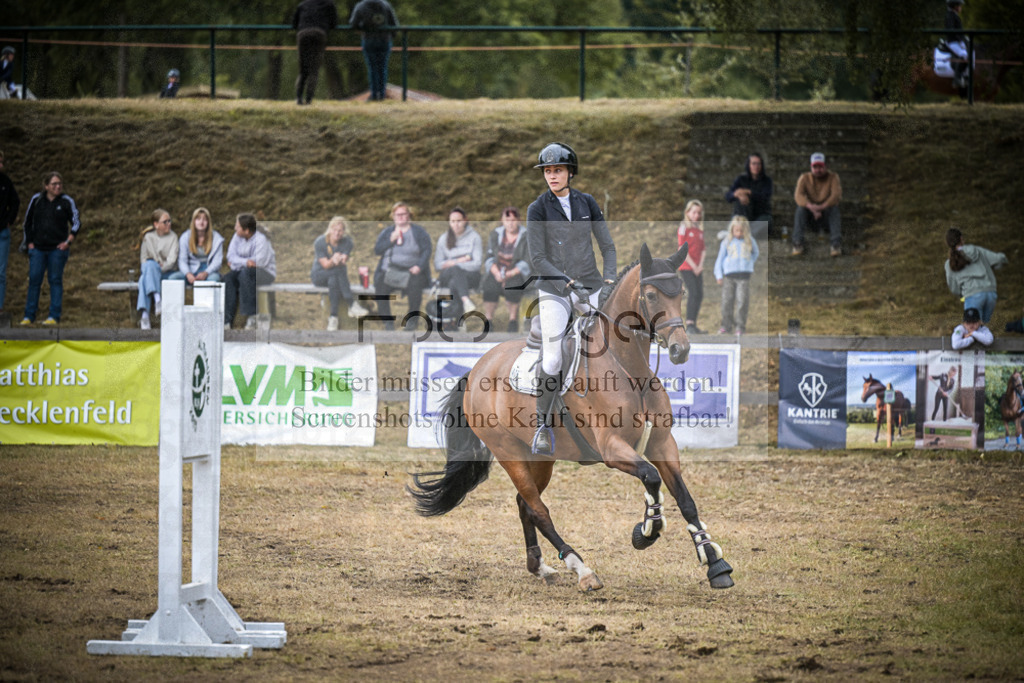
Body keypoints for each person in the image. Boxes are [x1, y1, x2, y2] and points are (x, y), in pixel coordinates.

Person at [527, 142, 616, 455]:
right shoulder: (537, 208)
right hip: (554, 290)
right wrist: (567, 284)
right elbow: (537, 258)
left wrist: (611, 279)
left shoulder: (587, 202)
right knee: (552, 357)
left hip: (591, 286)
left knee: (617, 338)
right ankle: (542, 425)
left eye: (558, 170)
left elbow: (607, 246)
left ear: (570, 173)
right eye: (548, 171)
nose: (552, 175)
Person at [20, 172, 81, 326]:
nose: (57, 186)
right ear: (46, 186)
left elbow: (76, 222)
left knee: (55, 280)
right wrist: (29, 243)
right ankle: (29, 316)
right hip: (38, 249)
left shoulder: (67, 201)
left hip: (57, 249)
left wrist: (68, 241)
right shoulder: (37, 200)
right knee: (34, 280)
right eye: (54, 184)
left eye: (59, 183)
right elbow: (27, 222)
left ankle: (54, 316)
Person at [372, 201, 431, 330]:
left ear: (409, 215)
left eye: (403, 214)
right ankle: (387, 321)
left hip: (412, 270)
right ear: (393, 216)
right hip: (391, 270)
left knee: (416, 286)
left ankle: (412, 320)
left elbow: (427, 250)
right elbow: (377, 250)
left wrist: (419, 266)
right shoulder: (387, 232)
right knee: (380, 285)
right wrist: (390, 240)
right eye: (397, 214)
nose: (400, 217)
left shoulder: (418, 232)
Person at [311, 215, 368, 331]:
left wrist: (338, 259)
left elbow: (343, 260)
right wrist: (333, 260)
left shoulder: (347, 242)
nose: (337, 233)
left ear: (344, 231)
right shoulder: (320, 242)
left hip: (335, 277)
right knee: (338, 271)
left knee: (334, 280)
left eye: (340, 230)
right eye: (335, 230)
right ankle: (351, 304)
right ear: (330, 229)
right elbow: (326, 265)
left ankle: (333, 317)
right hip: (319, 275)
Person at [481, 206, 531, 333]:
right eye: (507, 219)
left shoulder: (526, 236)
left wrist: (510, 273)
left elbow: (527, 260)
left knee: (513, 287)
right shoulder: (495, 234)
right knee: (489, 287)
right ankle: (489, 320)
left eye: (514, 219)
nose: (510, 223)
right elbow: (489, 256)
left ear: (519, 220)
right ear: (502, 220)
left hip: (517, 272)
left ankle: (512, 320)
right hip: (497, 270)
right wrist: (497, 273)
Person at [223, 214, 276, 330]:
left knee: (245, 275)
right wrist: (246, 262)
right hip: (244, 270)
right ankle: (227, 320)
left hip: (265, 272)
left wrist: (238, 262)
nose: (235, 228)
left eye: (237, 226)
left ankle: (252, 316)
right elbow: (230, 257)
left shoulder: (261, 239)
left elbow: (260, 262)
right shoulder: (237, 237)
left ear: (246, 231)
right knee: (228, 278)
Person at [944, 227, 1007, 324]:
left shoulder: (949, 264)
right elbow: (998, 259)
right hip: (990, 293)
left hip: (972, 296)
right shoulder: (977, 250)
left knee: (972, 329)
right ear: (961, 239)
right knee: (983, 328)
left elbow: (954, 288)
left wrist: (961, 294)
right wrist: (1000, 263)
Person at [714, 215, 759, 336]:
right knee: (727, 301)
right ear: (732, 230)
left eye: (741, 231)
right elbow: (720, 259)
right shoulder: (727, 242)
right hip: (729, 276)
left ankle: (740, 326)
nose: (739, 233)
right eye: (736, 230)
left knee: (742, 301)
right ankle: (726, 326)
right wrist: (719, 274)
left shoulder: (750, 241)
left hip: (744, 278)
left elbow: (755, 253)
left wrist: (748, 263)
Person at [434, 207, 482, 319]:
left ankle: (455, 321)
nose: (456, 224)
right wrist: (460, 260)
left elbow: (477, 264)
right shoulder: (444, 239)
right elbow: (437, 264)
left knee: (454, 282)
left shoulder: (474, 237)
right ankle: (466, 301)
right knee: (455, 271)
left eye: (459, 221)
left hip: (470, 275)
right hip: (446, 275)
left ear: (465, 220)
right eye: (453, 221)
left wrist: (453, 264)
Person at [791, 152, 842, 258]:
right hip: (810, 217)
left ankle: (835, 244)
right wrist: (812, 208)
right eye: (815, 167)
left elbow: (836, 196)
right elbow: (798, 196)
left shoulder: (833, 177)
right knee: (800, 209)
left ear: (826, 166)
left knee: (834, 209)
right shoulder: (804, 178)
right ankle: (797, 243)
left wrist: (821, 207)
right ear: (811, 167)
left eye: (820, 167)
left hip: (826, 216)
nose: (818, 170)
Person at [135, 209, 179, 330]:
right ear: (156, 224)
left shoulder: (173, 237)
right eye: (165, 222)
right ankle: (157, 298)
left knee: (144, 279)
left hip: (166, 272)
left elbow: (172, 260)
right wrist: (153, 266)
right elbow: (143, 260)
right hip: (151, 271)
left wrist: (158, 267)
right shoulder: (148, 237)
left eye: (169, 221)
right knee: (149, 266)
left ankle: (145, 315)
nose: (168, 224)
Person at [349, 0, 398, 101]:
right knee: (383, 67)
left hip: (369, 39)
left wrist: (362, 29)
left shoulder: (361, 5)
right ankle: (382, 94)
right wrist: (391, 36)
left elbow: (353, 23)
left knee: (372, 68)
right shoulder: (385, 5)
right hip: (384, 40)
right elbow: (394, 24)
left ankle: (374, 94)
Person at [292, 0, 338, 105]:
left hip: (303, 33)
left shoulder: (303, 5)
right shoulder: (329, 4)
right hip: (319, 33)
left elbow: (294, 24)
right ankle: (309, 99)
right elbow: (334, 23)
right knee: (314, 69)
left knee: (303, 69)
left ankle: (299, 97)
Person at [724, 152, 773, 240]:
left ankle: (739, 233)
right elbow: (728, 196)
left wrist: (748, 192)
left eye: (759, 164)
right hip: (744, 215)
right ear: (749, 165)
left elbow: (765, 196)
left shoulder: (767, 181)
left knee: (767, 221)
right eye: (753, 163)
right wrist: (737, 194)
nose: (756, 166)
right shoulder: (741, 179)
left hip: (760, 216)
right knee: (741, 200)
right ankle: (741, 232)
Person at [676, 199, 707, 335]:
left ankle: (694, 323)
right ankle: (689, 325)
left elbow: (703, 250)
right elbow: (682, 248)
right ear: (687, 212)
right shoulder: (684, 228)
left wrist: (700, 265)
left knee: (699, 294)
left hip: (697, 267)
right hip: (687, 266)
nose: (696, 215)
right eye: (694, 212)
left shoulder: (699, 230)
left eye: (699, 213)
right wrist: (694, 266)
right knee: (693, 292)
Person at [170, 206, 223, 284]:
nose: (201, 222)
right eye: (198, 219)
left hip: (209, 271)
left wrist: (206, 273)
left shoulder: (216, 238)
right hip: (191, 269)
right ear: (194, 221)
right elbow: (182, 260)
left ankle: (206, 296)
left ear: (208, 222)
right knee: (173, 278)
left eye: (204, 219)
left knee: (213, 279)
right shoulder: (185, 237)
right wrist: (188, 274)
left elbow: (217, 261)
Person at [0, 150, 19, 313]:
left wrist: (9, 221)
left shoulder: (6, 182)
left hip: (2, 233)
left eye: (1, 162)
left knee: (1, 272)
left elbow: (15, 202)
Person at [945, 0, 969, 89]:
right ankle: (957, 78)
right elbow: (952, 31)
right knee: (964, 55)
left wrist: (964, 38)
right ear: (955, 6)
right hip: (953, 42)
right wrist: (960, 39)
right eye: (959, 5)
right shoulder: (950, 16)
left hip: (957, 41)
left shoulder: (955, 15)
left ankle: (965, 76)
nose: (960, 7)